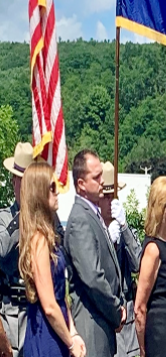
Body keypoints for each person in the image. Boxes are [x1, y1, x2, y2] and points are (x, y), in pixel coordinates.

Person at [17, 162, 85, 357]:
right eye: (52, 187)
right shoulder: (38, 240)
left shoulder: (50, 237)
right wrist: (71, 342)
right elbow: (48, 305)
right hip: (46, 335)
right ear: (39, 193)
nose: (58, 192)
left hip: (59, 330)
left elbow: (61, 294)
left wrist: (73, 332)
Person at [64, 150, 126, 357]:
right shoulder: (81, 220)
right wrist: (116, 311)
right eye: (96, 177)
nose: (102, 181)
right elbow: (93, 277)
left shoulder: (92, 215)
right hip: (91, 328)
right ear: (81, 184)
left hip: (100, 327)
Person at [135, 177, 166, 357]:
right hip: (159, 340)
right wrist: (142, 350)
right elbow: (139, 307)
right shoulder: (153, 249)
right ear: (162, 209)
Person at [99, 162, 142, 357]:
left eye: (113, 196)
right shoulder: (95, 231)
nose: (110, 201)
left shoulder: (126, 230)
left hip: (128, 320)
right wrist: (107, 239)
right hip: (107, 316)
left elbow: (138, 264)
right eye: (105, 196)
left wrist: (124, 227)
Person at [0, 143, 35, 357]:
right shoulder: (5, 218)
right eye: (22, 180)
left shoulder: (45, 219)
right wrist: (21, 217)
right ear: (14, 181)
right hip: (10, 316)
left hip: (35, 316)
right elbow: (1, 248)